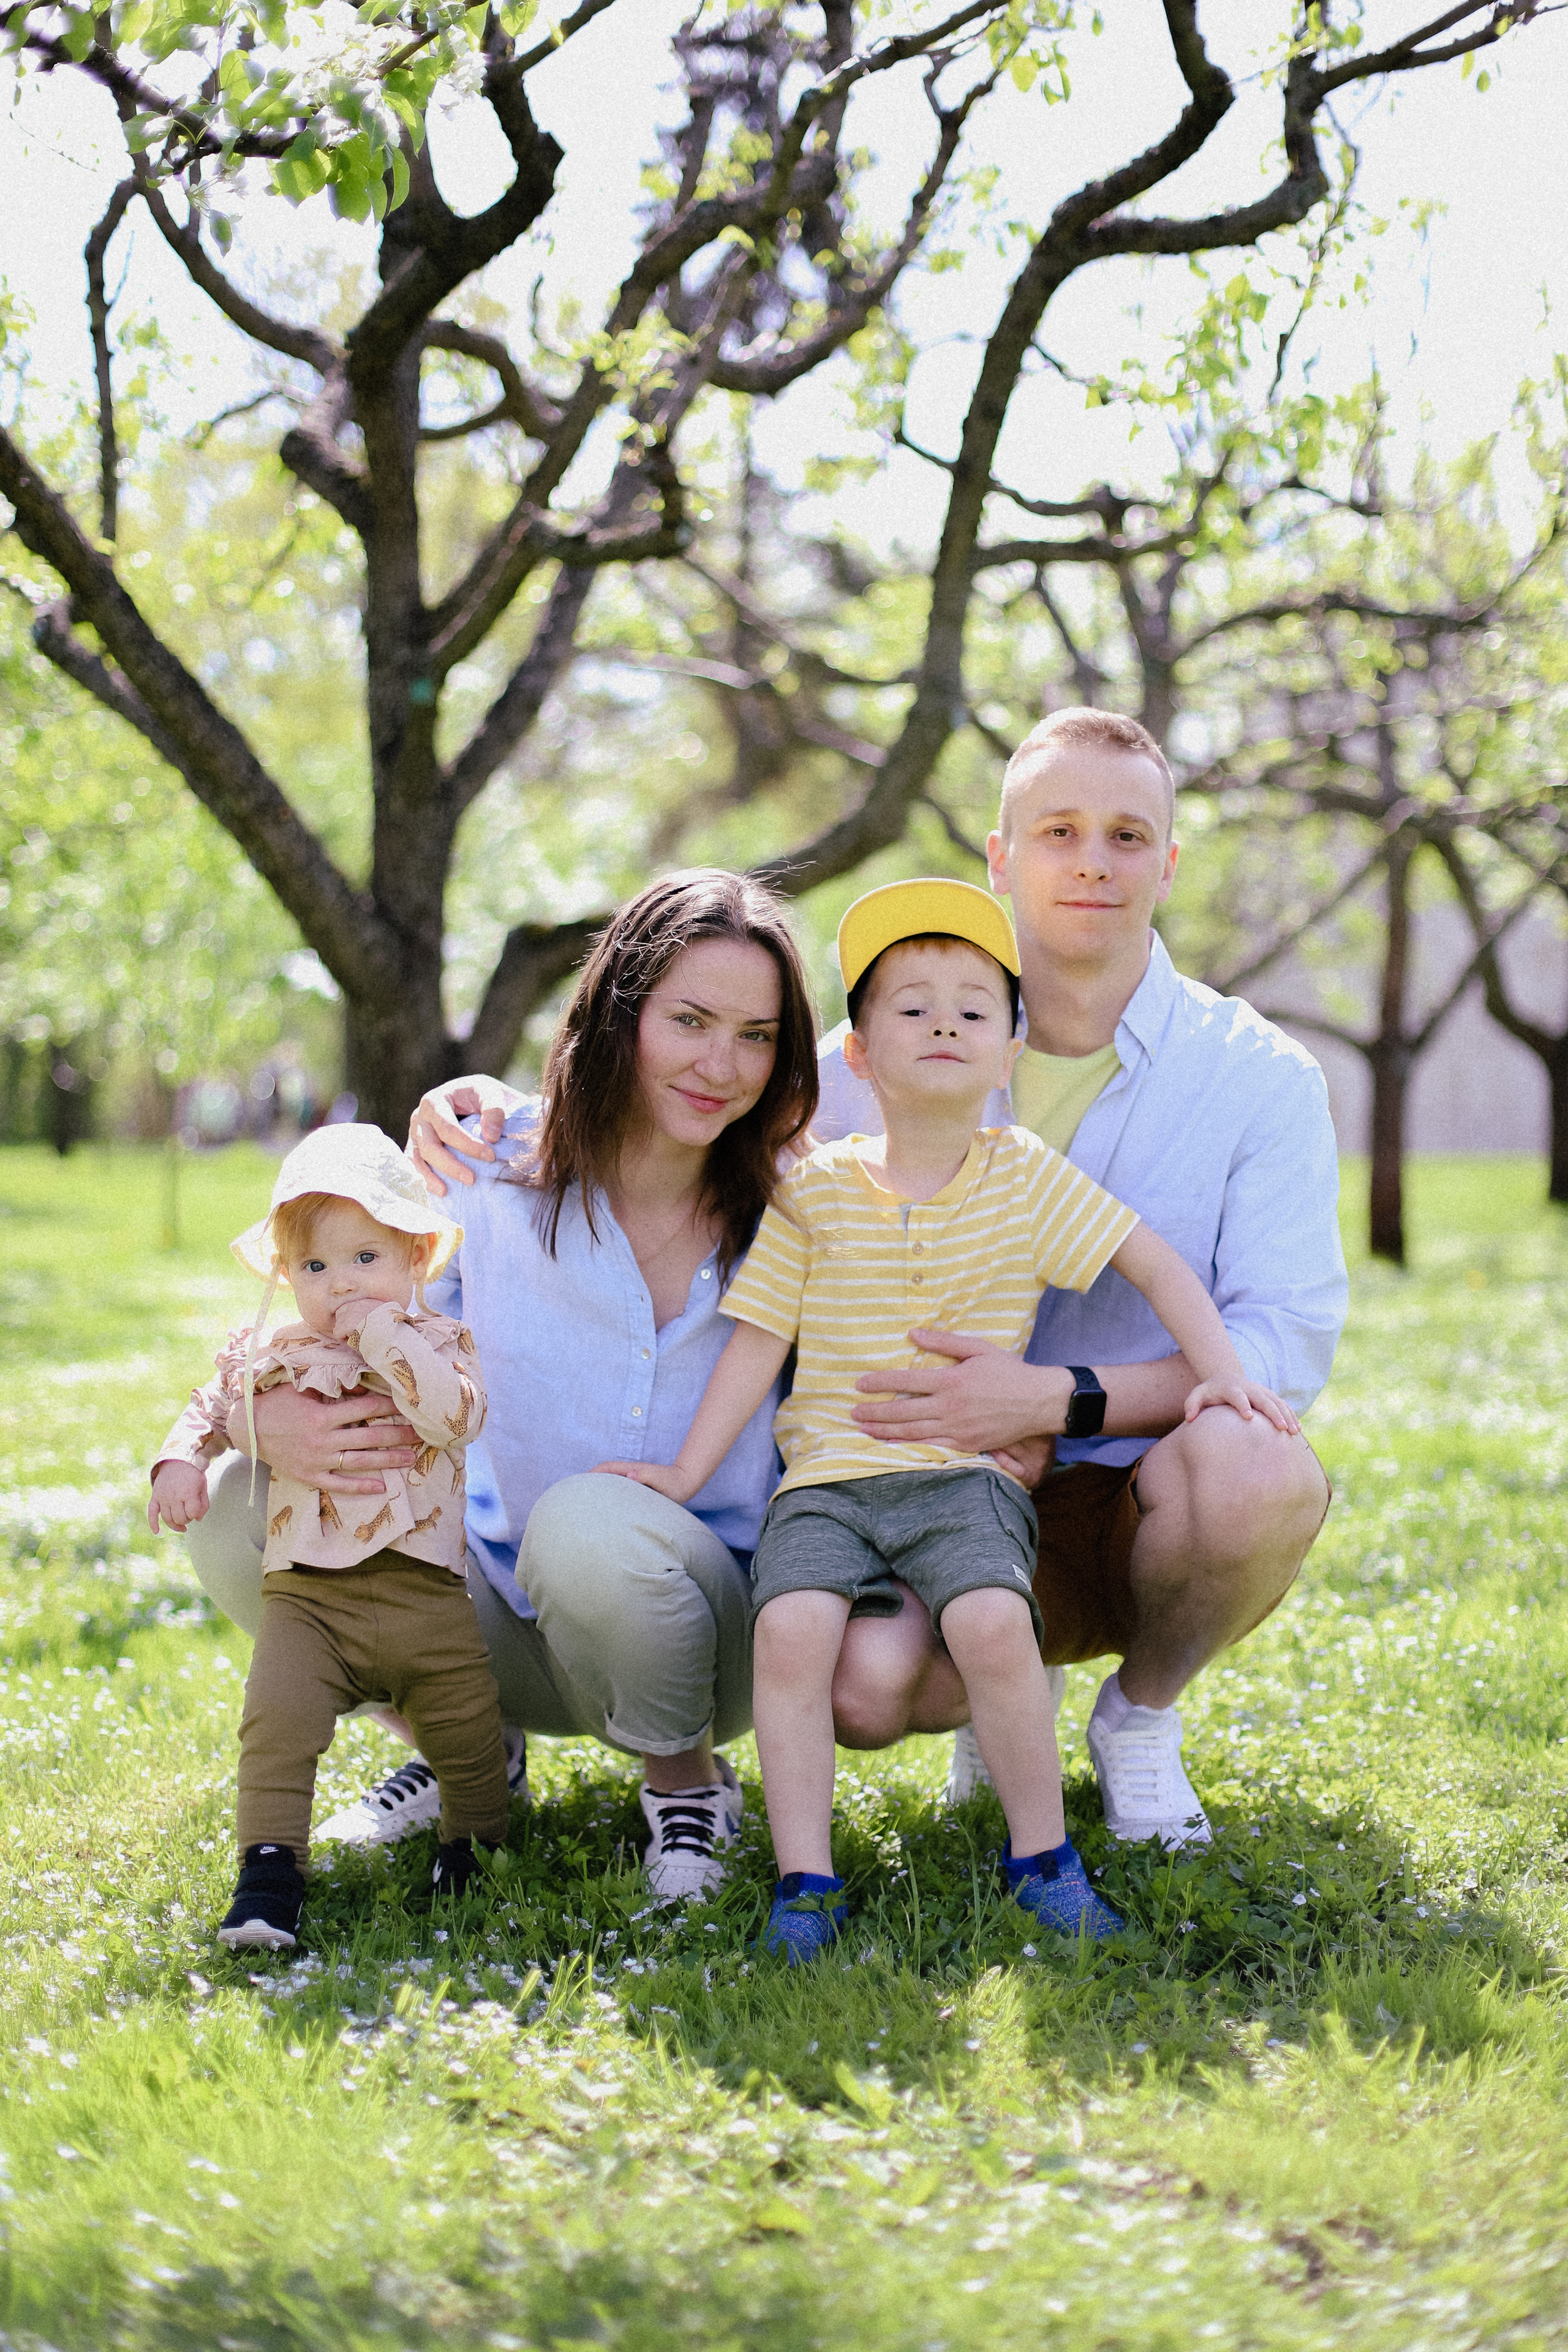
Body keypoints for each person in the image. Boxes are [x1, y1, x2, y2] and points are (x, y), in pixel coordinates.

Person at [594, 880, 1298, 1958]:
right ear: (859, 1057)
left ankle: (1043, 1858)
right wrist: (685, 1476)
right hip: (826, 1481)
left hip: (965, 1476)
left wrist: (1223, 1378)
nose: (943, 1025)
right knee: (790, 1632)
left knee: (989, 1623)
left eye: (973, 1011)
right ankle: (805, 1881)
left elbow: (1153, 1263)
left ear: (1007, 1050)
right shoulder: (814, 1191)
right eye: (911, 1008)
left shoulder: (1022, 1177)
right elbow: (755, 1345)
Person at [178, 872, 820, 1901]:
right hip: (485, 1606)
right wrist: (266, 1423)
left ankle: (687, 1783)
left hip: (704, 1631)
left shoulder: (800, 1200)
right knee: (230, 1510)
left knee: (587, 1521)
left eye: (756, 1035)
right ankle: (463, 1742)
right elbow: (347, 1314)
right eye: (689, 1020)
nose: (720, 1064)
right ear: (620, 1015)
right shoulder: (483, 1166)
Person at [812, 709, 1344, 1844]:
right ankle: (998, 1687)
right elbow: (683, 1146)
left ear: (1168, 863)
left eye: (1127, 835)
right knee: (866, 1692)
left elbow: (1281, 1347)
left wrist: (1056, 1400)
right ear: (1001, 858)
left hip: (1144, 1489)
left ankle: (1140, 1718)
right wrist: (487, 1121)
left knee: (1263, 1467)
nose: (1093, 862)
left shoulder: (1259, 1078)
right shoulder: (867, 1059)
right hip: (933, 1482)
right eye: (1058, 830)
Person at [149, 1125, 508, 1951]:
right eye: (313, 1267)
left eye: (363, 1261)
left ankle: (477, 1847)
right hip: (308, 1598)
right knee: (275, 1724)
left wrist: (384, 1335)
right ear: (286, 1275)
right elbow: (212, 1403)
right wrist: (180, 1458)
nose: (338, 1285)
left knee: (469, 1730)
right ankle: (268, 1875)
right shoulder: (276, 1352)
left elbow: (456, 1416)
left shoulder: (442, 1345)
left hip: (426, 1596)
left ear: (417, 1258)